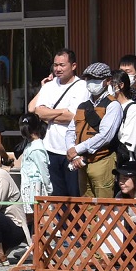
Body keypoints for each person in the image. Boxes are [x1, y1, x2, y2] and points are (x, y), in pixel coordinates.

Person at [27, 48, 88, 198]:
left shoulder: (82, 87)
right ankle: (60, 222)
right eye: (55, 65)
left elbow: (74, 116)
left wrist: (49, 113)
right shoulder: (49, 86)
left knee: (74, 194)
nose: (58, 69)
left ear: (73, 66)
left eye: (62, 65)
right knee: (57, 195)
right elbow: (38, 111)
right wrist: (62, 111)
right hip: (50, 149)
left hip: (71, 150)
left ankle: (75, 223)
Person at [68, 62, 121, 197]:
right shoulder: (83, 105)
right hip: (81, 162)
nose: (91, 82)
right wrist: (72, 151)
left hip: (102, 160)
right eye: (88, 78)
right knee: (86, 207)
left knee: (104, 208)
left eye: (95, 79)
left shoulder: (113, 105)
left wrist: (78, 149)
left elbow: (105, 136)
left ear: (107, 81)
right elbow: (70, 130)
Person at [16, 113, 51, 229]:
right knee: (30, 216)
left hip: (35, 187)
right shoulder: (30, 145)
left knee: (37, 215)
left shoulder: (37, 148)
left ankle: (36, 241)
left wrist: (49, 187)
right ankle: (32, 240)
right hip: (28, 187)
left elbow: (43, 169)